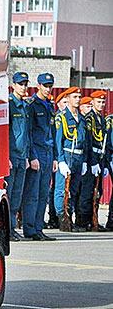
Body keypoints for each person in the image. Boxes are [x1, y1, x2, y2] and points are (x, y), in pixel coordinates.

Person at [21, 73, 57, 241]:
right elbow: (28, 133)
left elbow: (53, 132)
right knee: (32, 193)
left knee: (43, 193)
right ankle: (29, 229)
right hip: (37, 152)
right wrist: (32, 156)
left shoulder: (49, 105)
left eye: (50, 86)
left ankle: (38, 228)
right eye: (45, 86)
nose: (48, 89)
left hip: (48, 153)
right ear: (38, 86)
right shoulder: (32, 105)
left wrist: (56, 157)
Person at [54, 87, 88, 232]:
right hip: (68, 155)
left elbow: (86, 141)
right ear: (67, 98)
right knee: (62, 190)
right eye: (75, 96)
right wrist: (60, 160)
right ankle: (62, 219)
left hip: (79, 157)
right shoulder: (61, 117)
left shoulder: (81, 118)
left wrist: (85, 160)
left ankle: (70, 216)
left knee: (74, 190)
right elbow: (58, 141)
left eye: (79, 97)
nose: (78, 99)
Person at [78, 90, 108, 231]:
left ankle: (93, 219)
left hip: (100, 159)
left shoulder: (101, 119)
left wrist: (105, 163)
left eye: (103, 102)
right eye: (98, 102)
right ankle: (83, 221)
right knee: (87, 191)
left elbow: (104, 142)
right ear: (92, 102)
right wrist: (91, 161)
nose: (101, 104)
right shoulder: (89, 118)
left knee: (98, 191)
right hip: (91, 159)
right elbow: (88, 142)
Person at [6, 72, 30, 241]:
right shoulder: (9, 105)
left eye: (25, 84)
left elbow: (27, 134)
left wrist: (27, 156)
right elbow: (4, 132)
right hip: (12, 156)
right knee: (9, 192)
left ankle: (13, 228)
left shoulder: (25, 106)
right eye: (20, 84)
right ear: (13, 85)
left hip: (22, 156)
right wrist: (5, 156)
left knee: (17, 194)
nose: (23, 87)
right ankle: (7, 229)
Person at [46, 91, 69, 229]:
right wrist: (59, 158)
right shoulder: (58, 118)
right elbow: (57, 140)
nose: (66, 105)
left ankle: (55, 218)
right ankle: (54, 219)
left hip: (54, 156)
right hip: (50, 155)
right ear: (58, 104)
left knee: (57, 188)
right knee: (55, 189)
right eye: (64, 102)